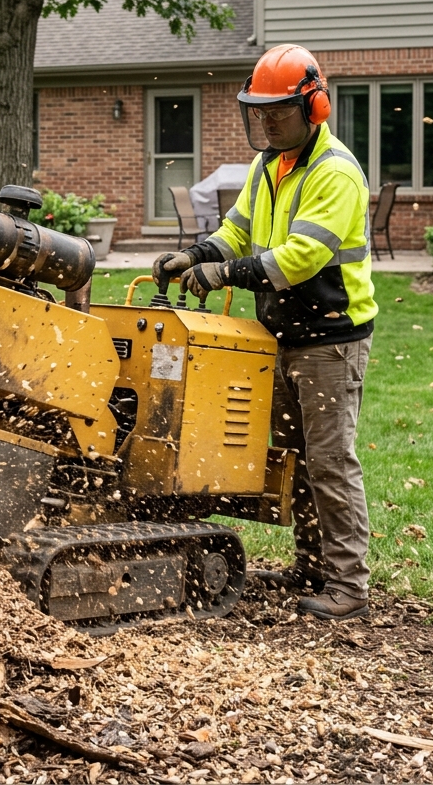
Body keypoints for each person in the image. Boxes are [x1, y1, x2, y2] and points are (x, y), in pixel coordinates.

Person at [153, 44, 378, 621]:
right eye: (260, 110)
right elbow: (237, 230)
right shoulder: (268, 166)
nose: (268, 120)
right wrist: (197, 253)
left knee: (329, 459)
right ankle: (312, 562)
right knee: (293, 456)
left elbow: (299, 258)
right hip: (279, 333)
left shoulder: (336, 172)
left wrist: (223, 272)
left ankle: (349, 584)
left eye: (278, 110)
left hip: (331, 335)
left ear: (314, 106)